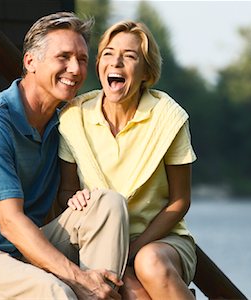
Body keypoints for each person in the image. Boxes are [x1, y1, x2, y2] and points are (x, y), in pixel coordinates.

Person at [0, 12, 129, 299]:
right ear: (30, 62)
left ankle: (101, 292)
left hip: (21, 249)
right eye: (63, 57)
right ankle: (88, 288)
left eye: (82, 59)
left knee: (108, 204)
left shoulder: (66, 123)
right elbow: (10, 222)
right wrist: (77, 277)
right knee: (53, 291)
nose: (75, 69)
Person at [56, 20, 197, 300]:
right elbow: (66, 192)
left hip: (161, 241)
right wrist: (74, 201)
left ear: (146, 72)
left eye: (130, 56)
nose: (116, 62)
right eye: (108, 53)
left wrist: (132, 251)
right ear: (99, 64)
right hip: (98, 242)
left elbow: (180, 201)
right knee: (130, 290)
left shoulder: (168, 117)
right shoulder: (74, 117)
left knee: (150, 263)